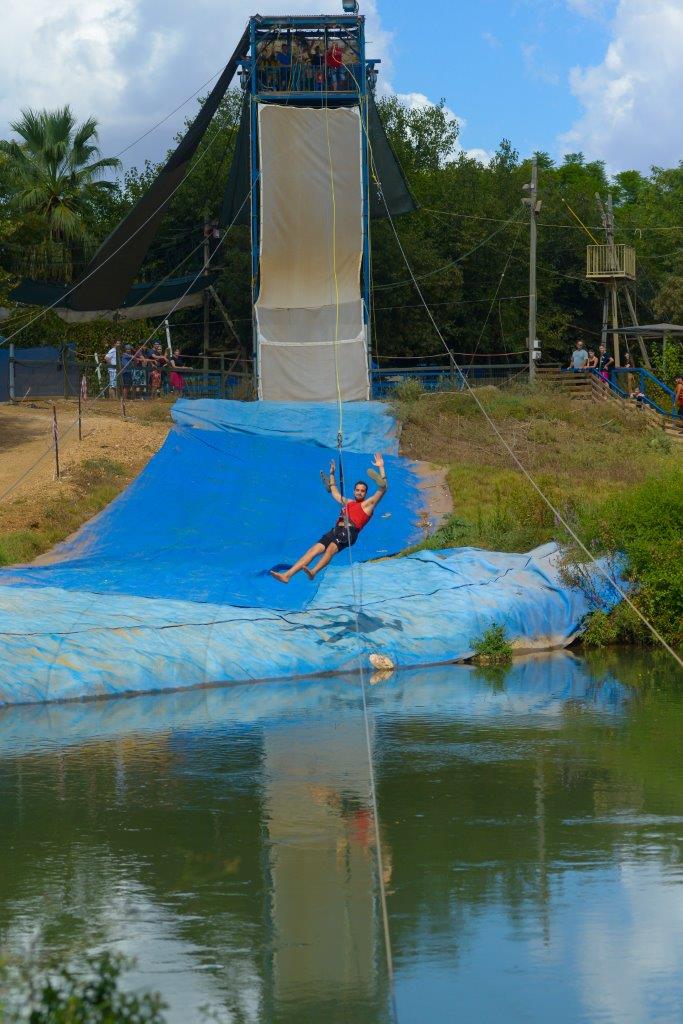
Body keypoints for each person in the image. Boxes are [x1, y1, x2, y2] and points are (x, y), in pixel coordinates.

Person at [270, 454, 388, 584]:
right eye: (357, 490)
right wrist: (332, 474)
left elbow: (383, 488)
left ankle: (313, 572)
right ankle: (287, 575)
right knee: (314, 550)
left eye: (362, 491)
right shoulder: (348, 502)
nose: (359, 492)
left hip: (349, 532)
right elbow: (334, 492)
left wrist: (381, 467)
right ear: (354, 491)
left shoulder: (368, 505)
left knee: (331, 548)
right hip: (336, 530)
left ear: (366, 493)